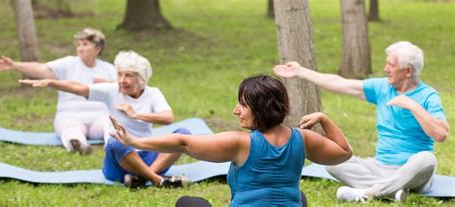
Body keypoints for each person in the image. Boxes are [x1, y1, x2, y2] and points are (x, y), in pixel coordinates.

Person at [109, 74, 352, 206]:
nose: (236, 110)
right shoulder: (303, 139)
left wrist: (135, 142)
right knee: (298, 199)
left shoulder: (241, 143)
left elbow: (183, 142)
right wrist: (323, 118)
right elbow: (344, 151)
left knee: (189, 203)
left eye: (242, 105)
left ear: (260, 108)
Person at [273, 41, 450, 202]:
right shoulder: (383, 87)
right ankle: (392, 191)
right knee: (332, 162)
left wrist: (413, 106)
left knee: (427, 160)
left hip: (413, 170)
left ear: (408, 71)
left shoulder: (428, 96)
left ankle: (368, 193)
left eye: (391, 65)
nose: (385, 68)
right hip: (379, 166)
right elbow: (340, 83)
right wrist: (300, 71)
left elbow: (441, 134)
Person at [19, 51, 191, 188]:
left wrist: (135, 115)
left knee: (184, 134)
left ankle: (144, 177)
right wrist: (51, 82)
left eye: (128, 76)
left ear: (141, 78)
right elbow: (79, 87)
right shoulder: (111, 90)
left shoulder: (153, 93)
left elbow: (168, 117)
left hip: (146, 154)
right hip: (119, 164)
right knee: (115, 141)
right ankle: (158, 180)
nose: (122, 80)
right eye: (120, 75)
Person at [0, 28, 117, 155]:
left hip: (100, 116)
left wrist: (109, 84)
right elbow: (40, 68)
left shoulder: (109, 69)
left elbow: (124, 89)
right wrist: (15, 65)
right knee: (70, 128)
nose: (80, 48)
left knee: (110, 126)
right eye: (78, 45)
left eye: (85, 44)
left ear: (98, 48)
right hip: (70, 115)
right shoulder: (68, 63)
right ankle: (77, 144)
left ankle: (113, 147)